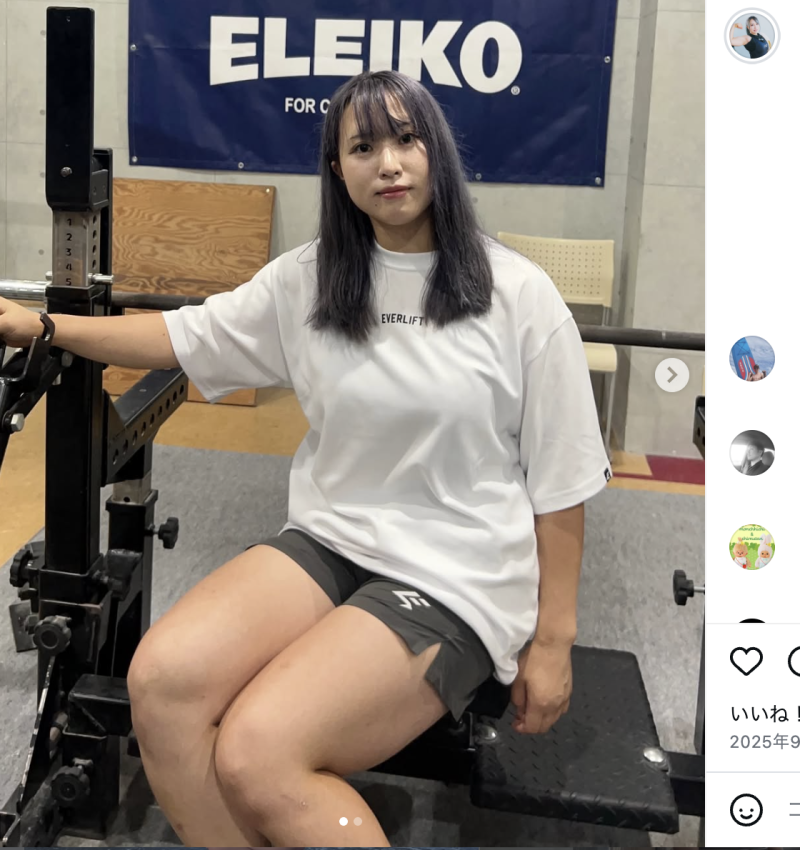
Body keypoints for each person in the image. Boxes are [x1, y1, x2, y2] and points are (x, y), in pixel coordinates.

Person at [0, 70, 610, 846]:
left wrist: (552, 644)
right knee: (161, 683)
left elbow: (562, 484)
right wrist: (45, 328)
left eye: (406, 139)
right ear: (337, 170)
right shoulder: (311, 279)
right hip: (331, 541)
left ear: (437, 151)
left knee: (259, 752)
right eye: (363, 147)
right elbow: (182, 336)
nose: (388, 163)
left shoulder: (519, 295)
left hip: (456, 573)